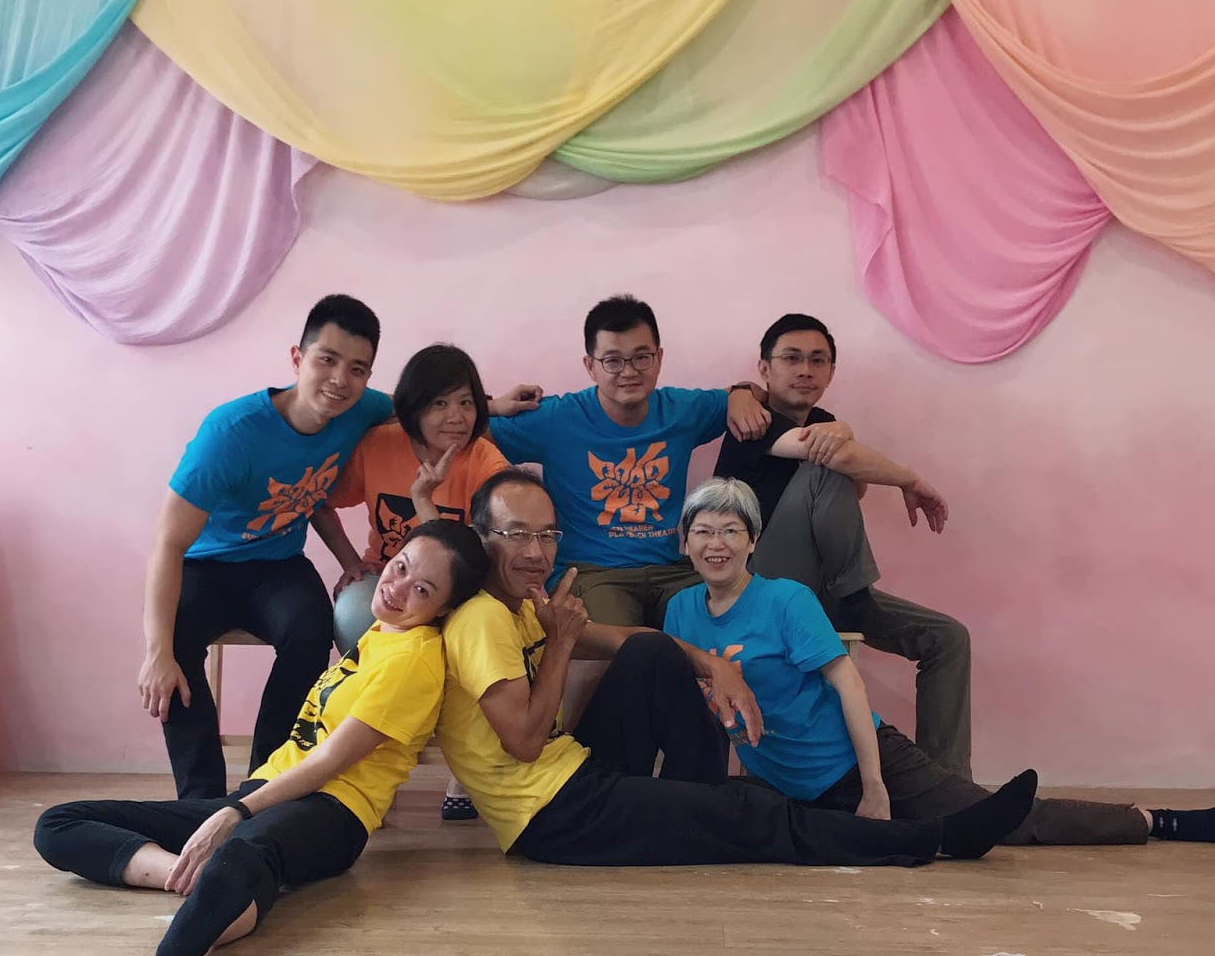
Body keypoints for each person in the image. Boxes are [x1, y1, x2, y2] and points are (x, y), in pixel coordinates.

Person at [436, 467, 1041, 871]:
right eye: (516, 535)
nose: (536, 551)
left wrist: (713, 667)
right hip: (554, 814)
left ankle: (700, 802)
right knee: (755, 813)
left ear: (752, 541)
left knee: (654, 657)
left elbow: (628, 639)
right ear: (480, 536)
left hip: (576, 779)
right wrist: (561, 645)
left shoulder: (520, 608)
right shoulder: (484, 619)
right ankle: (936, 840)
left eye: (547, 535)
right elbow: (523, 742)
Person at [666, 478, 1215, 848]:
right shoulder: (681, 612)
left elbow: (848, 686)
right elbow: (707, 710)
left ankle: (1158, 820)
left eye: (731, 531)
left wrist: (874, 786)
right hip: (792, 786)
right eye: (704, 532)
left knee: (1010, 823)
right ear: (685, 541)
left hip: (859, 762)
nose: (717, 544)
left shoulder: (786, 601)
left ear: (752, 541)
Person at [36, 521, 491, 956]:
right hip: (268, 792)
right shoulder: (382, 633)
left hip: (333, 812)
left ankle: (220, 880)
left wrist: (235, 812)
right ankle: (187, 874)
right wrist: (231, 815)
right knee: (58, 823)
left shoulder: (413, 660)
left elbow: (329, 761)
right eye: (401, 567)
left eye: (422, 590)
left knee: (237, 862)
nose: (398, 588)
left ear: (444, 608)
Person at [137, 294, 391, 800]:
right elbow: (168, 543)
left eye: (357, 369)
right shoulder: (230, 433)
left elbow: (429, 406)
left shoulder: (362, 409)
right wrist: (156, 652)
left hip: (277, 564)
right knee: (176, 643)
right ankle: (201, 801)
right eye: (327, 359)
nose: (340, 379)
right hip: (205, 565)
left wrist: (492, 405)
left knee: (311, 630)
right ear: (298, 358)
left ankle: (268, 785)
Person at [714, 312, 971, 774]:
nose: (805, 370)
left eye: (818, 360)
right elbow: (840, 463)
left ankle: (947, 785)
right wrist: (909, 480)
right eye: (791, 358)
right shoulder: (752, 422)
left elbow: (855, 489)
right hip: (756, 588)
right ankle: (854, 600)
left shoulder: (825, 423)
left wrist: (842, 433)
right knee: (827, 465)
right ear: (765, 368)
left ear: (832, 372)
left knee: (947, 638)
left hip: (822, 588)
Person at [489, 293, 770, 631]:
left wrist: (741, 394)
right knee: (625, 648)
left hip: (672, 570)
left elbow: (755, 393)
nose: (629, 372)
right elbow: (461, 426)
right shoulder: (556, 418)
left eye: (641, 358)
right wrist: (492, 405)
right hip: (592, 573)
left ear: (659, 358)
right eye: (612, 361)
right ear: (590, 366)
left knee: (735, 625)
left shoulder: (681, 410)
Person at [319, 343, 508, 821]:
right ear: (414, 407)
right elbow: (317, 498)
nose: (456, 417)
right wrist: (349, 561)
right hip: (389, 579)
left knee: (476, 627)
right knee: (353, 611)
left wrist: (425, 502)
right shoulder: (378, 445)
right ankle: (362, 766)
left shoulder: (484, 460)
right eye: (440, 403)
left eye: (466, 402)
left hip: (457, 589)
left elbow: (474, 555)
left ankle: (465, 764)